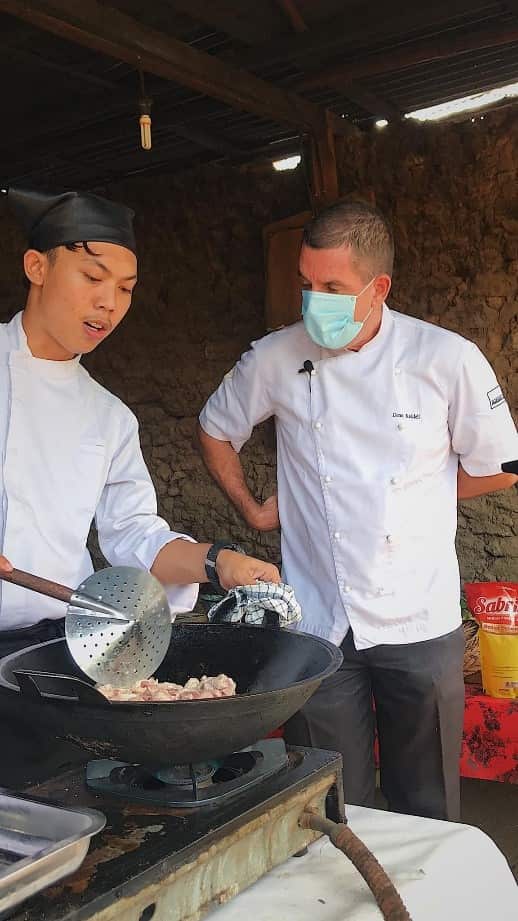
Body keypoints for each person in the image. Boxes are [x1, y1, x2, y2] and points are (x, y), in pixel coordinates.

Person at [198, 199, 518, 821]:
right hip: (319, 620)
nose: (314, 301)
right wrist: (253, 510)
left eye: (333, 288)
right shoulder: (275, 356)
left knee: (427, 801)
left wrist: (412, 491)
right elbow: (214, 430)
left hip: (418, 618)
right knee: (329, 802)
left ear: (379, 288)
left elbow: (500, 469)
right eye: (306, 285)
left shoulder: (445, 358)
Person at [0, 186, 279, 784]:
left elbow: (136, 539)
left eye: (124, 289)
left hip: (52, 657)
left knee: (53, 812)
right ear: (37, 266)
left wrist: (218, 562)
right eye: (93, 277)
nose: (108, 304)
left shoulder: (108, 417)